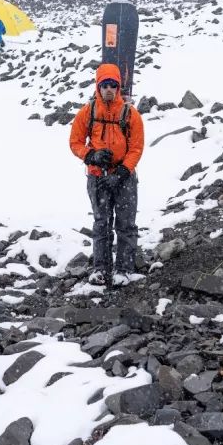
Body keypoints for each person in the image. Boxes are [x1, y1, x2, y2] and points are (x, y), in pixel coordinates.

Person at [69, 63, 144, 286]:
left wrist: (122, 171)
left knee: (126, 224)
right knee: (101, 223)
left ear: (119, 87)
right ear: (98, 87)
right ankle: (100, 269)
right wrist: (91, 155)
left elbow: (136, 148)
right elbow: (74, 142)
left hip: (124, 177)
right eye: (105, 85)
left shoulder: (131, 114)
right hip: (97, 176)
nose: (109, 89)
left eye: (113, 85)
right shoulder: (87, 112)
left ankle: (124, 269)